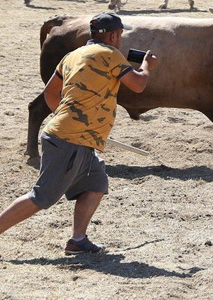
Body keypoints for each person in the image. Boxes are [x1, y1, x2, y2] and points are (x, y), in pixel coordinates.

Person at [0, 13, 157, 255]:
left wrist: (64, 115)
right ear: (114, 35)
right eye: (120, 35)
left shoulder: (71, 56)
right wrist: (147, 66)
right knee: (41, 197)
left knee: (95, 185)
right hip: (70, 140)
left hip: (77, 139)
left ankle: (78, 240)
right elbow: (138, 85)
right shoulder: (110, 54)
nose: (121, 39)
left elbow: (50, 93)